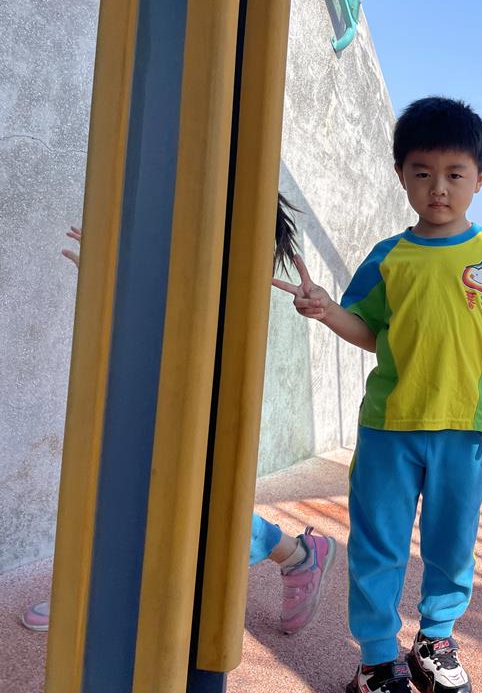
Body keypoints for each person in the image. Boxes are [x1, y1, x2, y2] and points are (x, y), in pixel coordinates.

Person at [272, 97, 482, 693]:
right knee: (379, 544)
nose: (438, 188)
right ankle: (375, 659)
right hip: (390, 427)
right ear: (401, 175)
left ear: (480, 177)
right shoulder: (388, 257)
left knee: (452, 544)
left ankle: (434, 638)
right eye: (422, 173)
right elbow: (371, 332)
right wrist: (326, 311)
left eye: (454, 174)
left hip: (466, 428)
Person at [22, 196, 336, 636]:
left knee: (191, 501)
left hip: (193, 401)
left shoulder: (227, 285)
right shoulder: (176, 260)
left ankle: (296, 555)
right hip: (147, 392)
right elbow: (147, 315)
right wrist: (107, 276)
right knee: (134, 490)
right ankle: (296, 555)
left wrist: (318, 305)